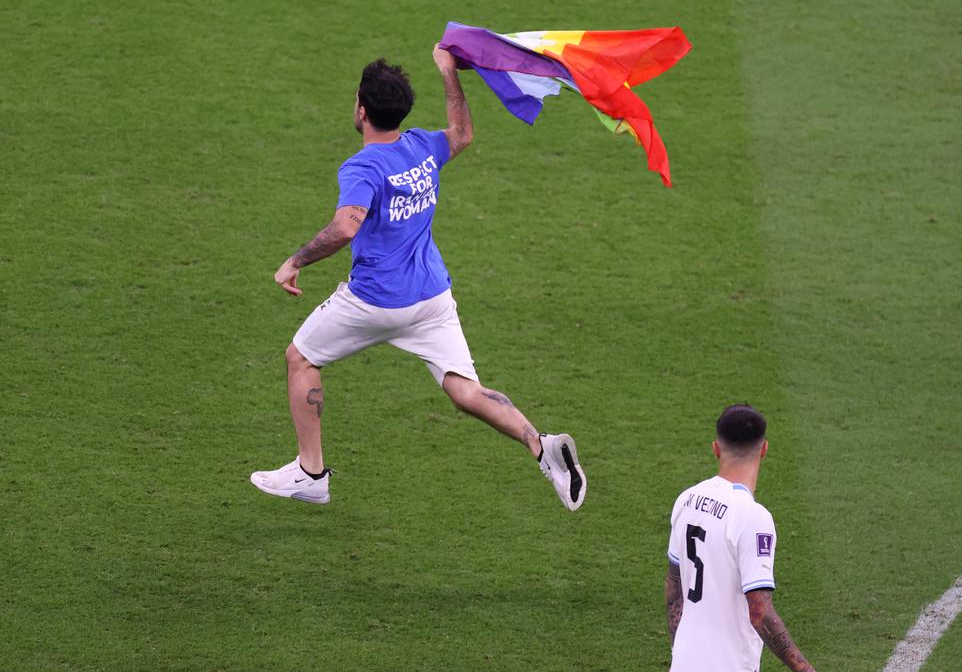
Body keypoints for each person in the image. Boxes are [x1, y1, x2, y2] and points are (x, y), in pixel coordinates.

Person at [249, 47, 586, 510]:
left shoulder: (363, 167)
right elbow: (463, 133)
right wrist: (449, 72)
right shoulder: (423, 147)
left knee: (300, 358)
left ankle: (311, 472)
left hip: (375, 301)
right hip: (432, 296)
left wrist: (295, 261)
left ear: (362, 111)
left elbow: (346, 226)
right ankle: (539, 443)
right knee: (463, 388)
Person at [665, 405, 814, 671]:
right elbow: (759, 611)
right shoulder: (752, 517)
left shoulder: (686, 499)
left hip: (683, 662)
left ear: (716, 448)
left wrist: (682, 651)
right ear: (765, 449)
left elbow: (674, 589)